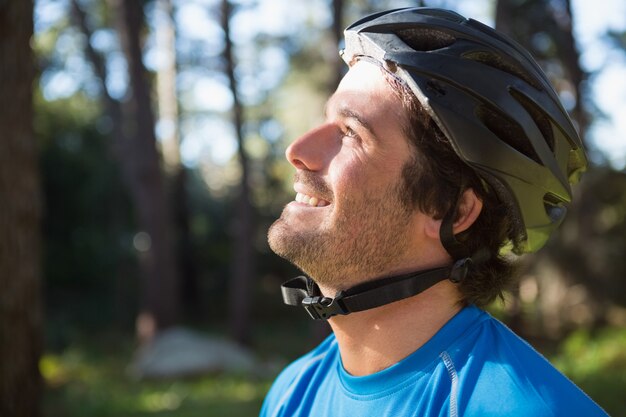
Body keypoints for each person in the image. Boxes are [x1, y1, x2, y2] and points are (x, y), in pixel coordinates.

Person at [262, 7, 608, 417]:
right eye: (326, 120)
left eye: (351, 133)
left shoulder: (521, 408)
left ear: (451, 209)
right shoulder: (293, 391)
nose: (296, 151)